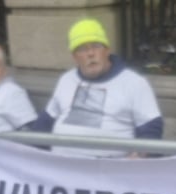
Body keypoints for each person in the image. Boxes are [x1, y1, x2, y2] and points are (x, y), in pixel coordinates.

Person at [31, 18, 163, 157]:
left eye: (96, 46)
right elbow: (43, 125)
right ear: (75, 57)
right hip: (62, 169)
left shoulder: (134, 83)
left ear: (107, 50)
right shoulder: (66, 80)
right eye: (82, 49)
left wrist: (139, 156)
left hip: (110, 172)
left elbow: (151, 129)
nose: (90, 54)